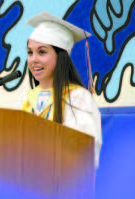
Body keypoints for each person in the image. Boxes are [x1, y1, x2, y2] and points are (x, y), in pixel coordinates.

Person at [22, 11, 102, 169]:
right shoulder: (27, 100)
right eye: (30, 52)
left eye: (42, 52)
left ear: (61, 57)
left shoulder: (78, 99)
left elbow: (85, 154)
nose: (33, 59)